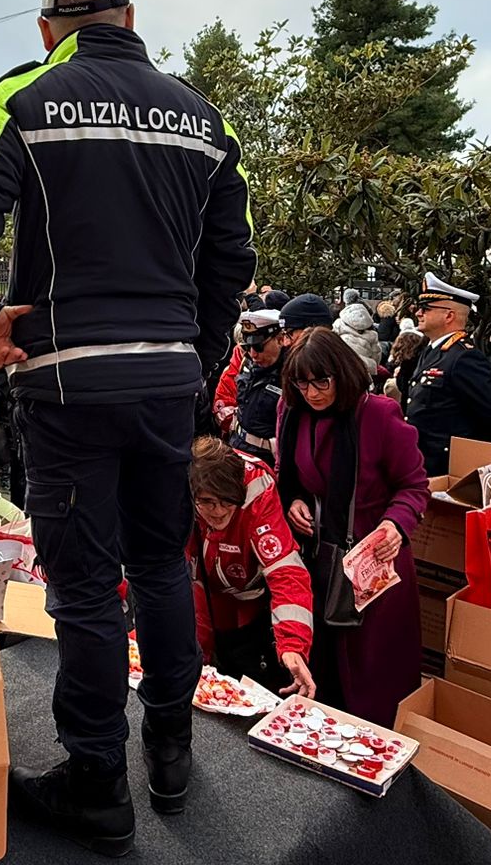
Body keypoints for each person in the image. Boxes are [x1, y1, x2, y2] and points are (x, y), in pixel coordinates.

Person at [0, 0, 255, 850]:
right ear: (131, 19)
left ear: (47, 28)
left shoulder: (22, 96)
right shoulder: (203, 117)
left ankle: (97, 782)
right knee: (160, 567)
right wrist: (203, 352)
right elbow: (235, 254)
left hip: (67, 380)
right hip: (165, 378)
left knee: (83, 590)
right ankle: (173, 751)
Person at [275, 329, 430, 727]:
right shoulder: (292, 412)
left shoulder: (377, 414)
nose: (312, 393)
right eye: (301, 382)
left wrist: (396, 523)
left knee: (373, 681)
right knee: (324, 668)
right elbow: (287, 475)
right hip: (318, 560)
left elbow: (413, 484)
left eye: (321, 381)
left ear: (341, 374)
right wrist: (293, 499)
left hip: (375, 563)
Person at [186, 436, 314, 697]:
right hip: (198, 589)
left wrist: (292, 645)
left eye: (227, 502)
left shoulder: (257, 493)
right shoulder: (177, 488)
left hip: (249, 608)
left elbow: (286, 572)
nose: (219, 511)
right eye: (208, 502)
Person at [402, 274, 491, 475]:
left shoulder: (464, 358)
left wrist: (475, 469)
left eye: (425, 308)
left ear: (449, 316)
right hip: (423, 462)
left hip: (446, 468)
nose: (418, 313)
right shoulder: (432, 350)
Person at [223, 309, 288, 463]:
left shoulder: (292, 374)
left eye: (258, 346)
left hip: (268, 461)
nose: (252, 354)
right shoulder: (247, 364)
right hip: (237, 450)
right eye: (247, 346)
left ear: (280, 339)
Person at [333, 299, 381, 371]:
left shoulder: (338, 331)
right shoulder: (372, 336)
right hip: (366, 371)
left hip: (343, 371)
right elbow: (376, 356)